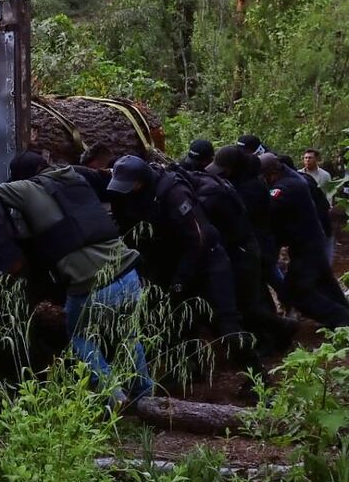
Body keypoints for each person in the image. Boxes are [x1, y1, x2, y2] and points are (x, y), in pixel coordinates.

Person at [0, 151, 152, 403]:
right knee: (127, 336)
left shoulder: (26, 188)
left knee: (79, 336)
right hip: (128, 273)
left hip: (91, 285)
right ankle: (145, 394)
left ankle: (113, 396)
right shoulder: (74, 176)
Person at [105, 156, 255, 358]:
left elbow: (198, 240)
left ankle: (256, 378)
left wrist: (180, 282)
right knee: (178, 321)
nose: (126, 190)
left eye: (130, 186)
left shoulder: (174, 192)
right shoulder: (129, 196)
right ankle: (192, 368)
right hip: (170, 261)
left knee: (227, 325)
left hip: (207, 261)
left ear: (142, 180)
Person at [198, 149, 298, 351]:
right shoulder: (245, 181)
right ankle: (276, 336)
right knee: (257, 297)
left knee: (251, 304)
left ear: (235, 167)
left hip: (253, 247)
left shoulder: (251, 187)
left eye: (224, 169)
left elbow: (240, 217)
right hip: (251, 246)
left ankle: (282, 330)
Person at [259, 153, 349, 328]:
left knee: (298, 292)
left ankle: (342, 322)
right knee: (326, 284)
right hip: (312, 241)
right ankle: (344, 316)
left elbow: (269, 207)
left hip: (306, 247)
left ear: (271, 173)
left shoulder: (284, 187)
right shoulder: (295, 177)